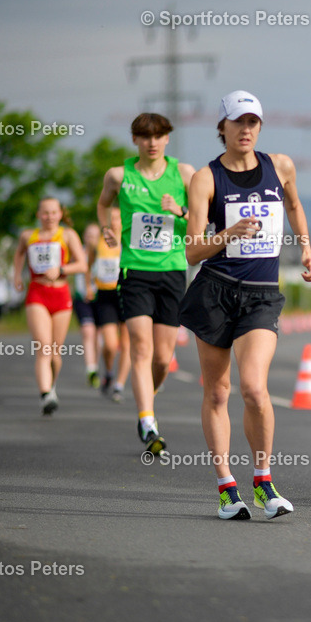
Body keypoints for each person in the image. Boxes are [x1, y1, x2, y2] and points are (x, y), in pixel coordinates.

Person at [180, 90, 311, 520]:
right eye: (238, 121)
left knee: (255, 388)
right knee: (218, 390)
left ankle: (263, 482)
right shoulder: (206, 179)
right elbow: (192, 251)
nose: (246, 129)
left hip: (261, 294)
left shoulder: (280, 166)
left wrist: (306, 248)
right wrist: (229, 233)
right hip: (215, 291)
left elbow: (294, 205)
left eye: (253, 121)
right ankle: (226, 487)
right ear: (222, 127)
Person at [97, 113, 195, 454]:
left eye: (158, 136)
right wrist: (106, 228)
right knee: (140, 347)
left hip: (172, 271)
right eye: (144, 136)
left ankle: (147, 398)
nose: (152, 142)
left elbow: (205, 218)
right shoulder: (118, 175)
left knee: (162, 358)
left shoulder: (184, 173)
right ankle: (147, 421)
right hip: (134, 271)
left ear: (167, 138)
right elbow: (103, 204)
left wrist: (180, 210)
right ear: (135, 140)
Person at [13, 198, 88, 415]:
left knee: (55, 352)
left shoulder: (68, 235)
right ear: (38, 215)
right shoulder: (28, 236)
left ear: (60, 214)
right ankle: (45, 394)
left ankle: (52, 386)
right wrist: (17, 275)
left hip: (61, 294)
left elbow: (82, 264)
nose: (49, 217)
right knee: (44, 347)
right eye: (45, 213)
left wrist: (61, 269)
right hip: (37, 292)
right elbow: (19, 253)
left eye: (54, 212)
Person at [86, 219, 131, 403]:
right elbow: (88, 265)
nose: (113, 222)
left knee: (127, 344)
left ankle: (119, 385)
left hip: (126, 293)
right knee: (111, 344)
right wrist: (88, 286)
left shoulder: (129, 239)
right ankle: (110, 372)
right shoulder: (97, 243)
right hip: (105, 296)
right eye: (110, 218)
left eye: (116, 219)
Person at [74, 222, 102, 389]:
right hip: (82, 299)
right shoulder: (79, 253)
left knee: (98, 336)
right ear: (84, 237)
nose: (91, 238)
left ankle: (95, 365)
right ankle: (90, 368)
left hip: (101, 298)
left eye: (95, 235)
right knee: (88, 331)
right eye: (89, 235)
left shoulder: (104, 253)